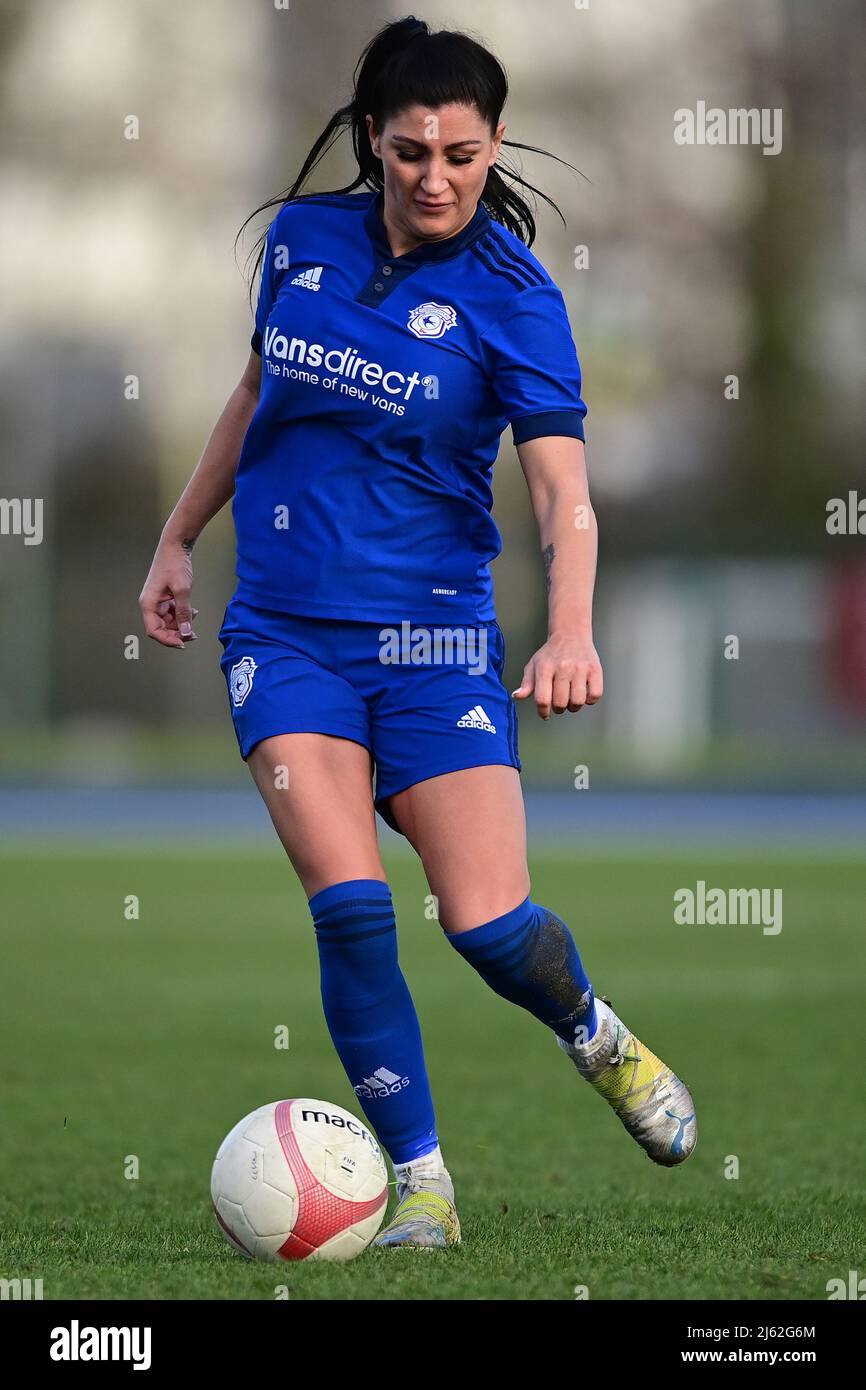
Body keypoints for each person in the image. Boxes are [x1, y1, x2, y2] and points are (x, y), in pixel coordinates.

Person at [139, 15, 696, 1251]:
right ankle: (421, 1186)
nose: (433, 177)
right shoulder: (300, 241)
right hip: (283, 634)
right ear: (368, 143)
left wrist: (567, 630)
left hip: (435, 645)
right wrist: (178, 536)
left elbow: (561, 491)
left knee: (488, 925)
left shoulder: (516, 298)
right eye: (405, 152)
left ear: (494, 143)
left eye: (458, 152)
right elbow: (252, 392)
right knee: (349, 908)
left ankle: (592, 1031)